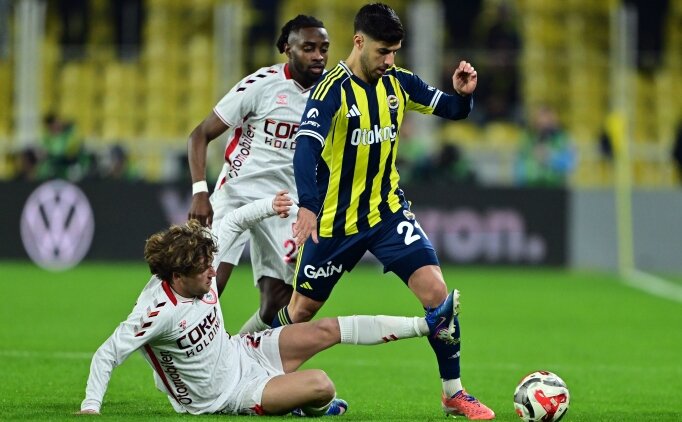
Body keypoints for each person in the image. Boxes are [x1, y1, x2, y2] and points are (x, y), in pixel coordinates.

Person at [271, 3, 494, 420]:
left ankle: (453, 393)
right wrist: (308, 206)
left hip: (388, 214)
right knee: (301, 312)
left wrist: (463, 96)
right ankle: (265, 377)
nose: (389, 61)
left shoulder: (399, 83)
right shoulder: (331, 90)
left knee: (437, 294)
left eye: (394, 52)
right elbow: (305, 149)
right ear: (359, 42)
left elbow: (450, 109)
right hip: (335, 222)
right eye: (382, 52)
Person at [77, 191, 458, 416]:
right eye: (203, 271)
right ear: (177, 276)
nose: (213, 273)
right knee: (322, 386)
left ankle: (428, 324)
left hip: (241, 351)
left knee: (326, 329)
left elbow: (234, 222)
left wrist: (271, 206)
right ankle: (302, 406)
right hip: (229, 394)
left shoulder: (198, 262)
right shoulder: (156, 312)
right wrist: (91, 407)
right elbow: (108, 354)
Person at [186, 15, 329, 334]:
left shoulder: (330, 96)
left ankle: (240, 350)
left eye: (323, 48)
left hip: (284, 205)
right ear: (287, 49)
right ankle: (182, 355)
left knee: (281, 303)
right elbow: (199, 135)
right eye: (308, 48)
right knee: (208, 285)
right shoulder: (261, 85)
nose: (318, 55)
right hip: (238, 194)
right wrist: (200, 192)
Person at [514, 105, 576, 187]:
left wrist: (551, 158)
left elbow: (570, 164)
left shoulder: (563, 139)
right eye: (541, 121)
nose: (544, 124)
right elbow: (519, 165)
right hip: (529, 187)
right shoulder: (527, 139)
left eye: (548, 120)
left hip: (554, 188)